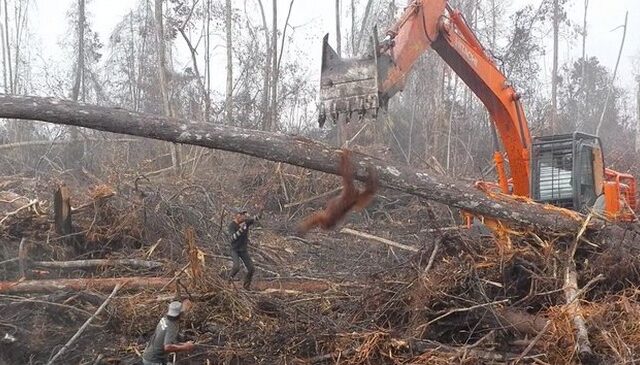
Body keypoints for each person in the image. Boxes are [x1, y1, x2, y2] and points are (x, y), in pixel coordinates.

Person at [142, 301, 194, 365]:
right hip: (154, 360)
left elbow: (169, 341)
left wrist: (184, 344)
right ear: (180, 314)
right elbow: (167, 347)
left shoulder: (164, 318)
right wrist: (185, 347)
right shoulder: (172, 325)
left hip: (148, 355)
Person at [228, 207, 256, 290]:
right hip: (235, 250)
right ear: (236, 215)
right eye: (241, 214)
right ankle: (228, 282)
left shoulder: (246, 223)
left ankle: (246, 286)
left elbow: (256, 218)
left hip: (243, 250)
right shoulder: (232, 225)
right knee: (236, 267)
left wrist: (261, 210)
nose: (243, 216)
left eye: (244, 215)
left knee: (251, 268)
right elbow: (232, 238)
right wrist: (241, 229)